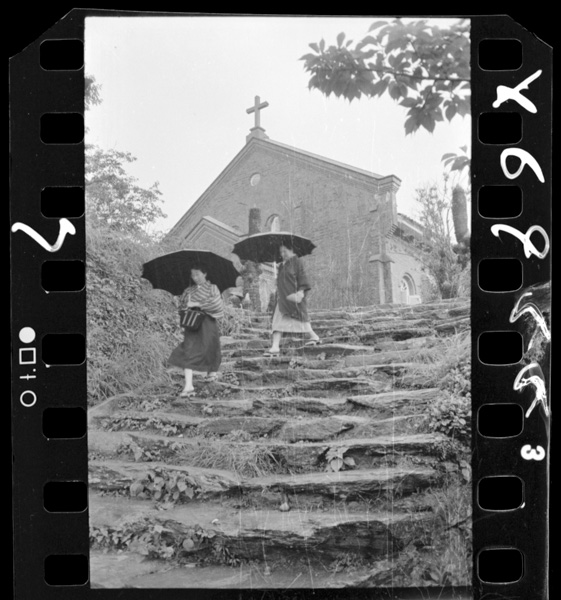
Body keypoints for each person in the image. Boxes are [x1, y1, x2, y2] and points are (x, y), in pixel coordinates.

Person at [168, 263, 224, 397]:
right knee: (189, 350)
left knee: (210, 346)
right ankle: (188, 385)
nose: (195, 278)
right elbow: (181, 306)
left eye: (197, 274)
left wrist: (197, 303)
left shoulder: (212, 288)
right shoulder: (189, 290)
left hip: (208, 322)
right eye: (192, 275)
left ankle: (212, 372)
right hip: (192, 323)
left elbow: (217, 304)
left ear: (205, 274)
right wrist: (185, 303)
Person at [264, 241, 320, 357]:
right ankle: (275, 346)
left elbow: (302, 278)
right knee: (277, 320)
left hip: (293, 298)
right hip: (282, 298)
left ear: (292, 250)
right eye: (281, 252)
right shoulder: (282, 265)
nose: (282, 254)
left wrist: (301, 292)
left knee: (300, 319)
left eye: (285, 251)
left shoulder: (297, 262)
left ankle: (314, 336)